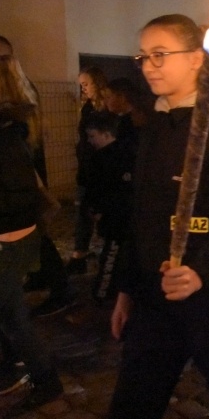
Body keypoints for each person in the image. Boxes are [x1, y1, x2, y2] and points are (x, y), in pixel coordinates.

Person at [107, 14, 209, 419]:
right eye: (143, 56)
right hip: (154, 296)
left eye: (160, 54)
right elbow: (142, 217)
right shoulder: (156, 124)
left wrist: (199, 270)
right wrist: (128, 289)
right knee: (134, 401)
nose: (149, 65)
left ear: (198, 59)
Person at [0, 54, 64, 413]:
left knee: (11, 314)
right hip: (5, 233)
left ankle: (45, 378)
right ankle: (13, 363)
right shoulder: (6, 131)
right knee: (3, 311)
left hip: (7, 236)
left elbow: (19, 196)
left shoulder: (5, 136)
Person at [84, 112, 135, 303]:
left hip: (116, 221)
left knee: (110, 258)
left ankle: (102, 295)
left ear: (106, 134)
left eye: (92, 136)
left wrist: (99, 209)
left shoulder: (111, 158)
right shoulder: (119, 154)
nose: (89, 141)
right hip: (115, 219)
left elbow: (111, 191)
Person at [68, 65, 108, 275]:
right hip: (87, 166)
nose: (83, 89)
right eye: (81, 85)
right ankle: (80, 254)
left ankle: (105, 254)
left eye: (86, 84)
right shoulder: (88, 108)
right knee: (82, 210)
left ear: (97, 83)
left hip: (102, 168)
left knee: (101, 212)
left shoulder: (107, 108)